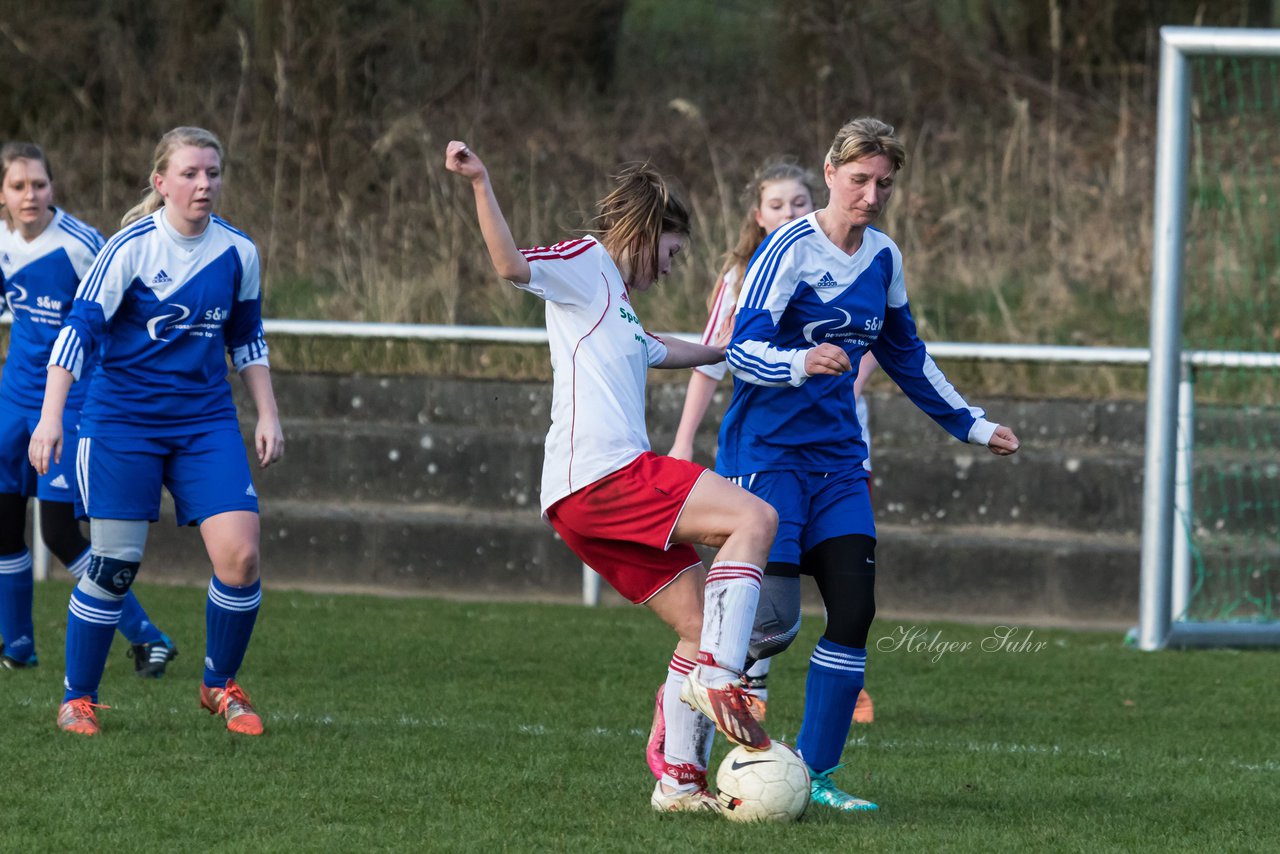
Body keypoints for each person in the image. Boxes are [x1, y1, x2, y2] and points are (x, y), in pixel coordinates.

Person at [445, 140, 779, 813]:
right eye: (672, 254)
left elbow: (663, 349)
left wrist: (731, 348)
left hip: (588, 499)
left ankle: (679, 782)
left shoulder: (618, 305)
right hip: (604, 477)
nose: (671, 269)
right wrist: (481, 180)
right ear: (648, 233)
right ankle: (718, 679)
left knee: (698, 625)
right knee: (755, 517)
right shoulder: (586, 262)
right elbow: (510, 266)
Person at [717, 117, 1020, 811]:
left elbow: (907, 354)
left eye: (883, 183)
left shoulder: (882, 257)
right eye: (859, 180)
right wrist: (798, 361)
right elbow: (741, 350)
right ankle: (684, 749)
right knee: (771, 626)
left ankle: (815, 775)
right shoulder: (785, 249)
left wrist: (972, 426)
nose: (871, 195)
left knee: (854, 612)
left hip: (838, 466)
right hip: (768, 461)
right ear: (830, 173)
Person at [28, 127, 284, 737]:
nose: (204, 184)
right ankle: (78, 698)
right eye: (191, 173)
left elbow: (246, 338)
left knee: (242, 557)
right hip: (122, 425)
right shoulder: (130, 248)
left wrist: (269, 413)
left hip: (205, 423)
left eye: (213, 173)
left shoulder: (238, 252)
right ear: (160, 182)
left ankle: (219, 685)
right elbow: (78, 333)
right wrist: (51, 415)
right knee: (115, 565)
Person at [663, 160, 874, 731]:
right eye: (776, 205)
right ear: (757, 215)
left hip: (837, 453)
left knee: (850, 589)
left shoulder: (859, 261)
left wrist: (844, 381)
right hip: (769, 454)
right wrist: (684, 439)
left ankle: (843, 684)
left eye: (799, 203)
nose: (789, 213)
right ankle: (725, 683)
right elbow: (715, 356)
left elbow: (877, 340)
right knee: (772, 615)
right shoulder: (742, 277)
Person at [0, 142, 177, 677]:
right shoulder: (2, 243)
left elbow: (118, 311)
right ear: (2, 194)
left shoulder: (82, 245)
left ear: (53, 187)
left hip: (70, 401)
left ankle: (150, 637)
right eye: (18, 186)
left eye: (39, 184)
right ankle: (18, 646)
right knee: (5, 530)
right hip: (12, 401)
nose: (30, 195)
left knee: (59, 534)